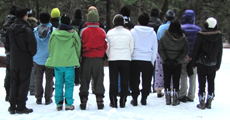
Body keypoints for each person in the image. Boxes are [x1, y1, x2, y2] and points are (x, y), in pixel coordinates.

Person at [45, 14, 81, 111]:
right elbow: (78, 47)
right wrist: (76, 58)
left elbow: (50, 47)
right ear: (69, 22)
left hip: (57, 62)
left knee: (58, 83)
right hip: (69, 63)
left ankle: (59, 103)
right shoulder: (74, 33)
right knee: (69, 83)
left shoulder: (54, 33)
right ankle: (68, 104)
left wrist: (54, 57)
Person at [5, 7, 37, 114]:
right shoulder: (27, 30)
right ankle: (21, 105)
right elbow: (32, 47)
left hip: (14, 59)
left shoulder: (10, 29)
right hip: (25, 60)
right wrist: (30, 55)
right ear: (25, 16)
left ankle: (12, 105)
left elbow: (7, 44)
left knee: (14, 82)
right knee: (23, 83)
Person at [191, 17, 222, 109]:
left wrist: (193, 63)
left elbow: (196, 49)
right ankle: (209, 101)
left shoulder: (201, 35)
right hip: (212, 63)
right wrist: (218, 64)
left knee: (202, 82)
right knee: (211, 82)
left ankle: (202, 101)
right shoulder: (218, 36)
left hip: (202, 62)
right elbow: (220, 52)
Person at [79, 10, 107, 110]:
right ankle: (99, 100)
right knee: (99, 79)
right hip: (98, 58)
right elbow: (105, 44)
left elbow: (80, 44)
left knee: (85, 79)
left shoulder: (84, 31)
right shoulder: (102, 31)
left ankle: (83, 100)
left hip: (86, 58)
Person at [158, 19, 189, 106]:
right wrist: (178, 59)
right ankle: (175, 97)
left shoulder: (165, 36)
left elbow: (160, 48)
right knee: (176, 80)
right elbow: (186, 50)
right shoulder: (183, 38)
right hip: (177, 62)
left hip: (166, 62)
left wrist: (166, 59)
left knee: (167, 79)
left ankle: (168, 97)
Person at [129, 13, 157, 106]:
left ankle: (135, 98)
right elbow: (154, 48)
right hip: (147, 59)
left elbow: (130, 45)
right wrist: (152, 60)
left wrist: (130, 56)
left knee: (134, 79)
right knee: (147, 80)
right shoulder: (152, 33)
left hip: (135, 58)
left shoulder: (133, 32)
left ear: (138, 21)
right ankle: (144, 98)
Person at [106, 14, 134, 108]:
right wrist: (127, 55)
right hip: (125, 58)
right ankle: (123, 101)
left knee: (113, 80)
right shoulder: (128, 33)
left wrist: (109, 55)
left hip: (113, 58)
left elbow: (107, 47)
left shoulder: (109, 33)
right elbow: (131, 47)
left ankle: (113, 101)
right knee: (124, 80)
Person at [178, 10, 201, 102]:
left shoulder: (181, 28)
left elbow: (179, 43)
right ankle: (191, 95)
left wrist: (184, 54)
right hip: (194, 57)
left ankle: (182, 94)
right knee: (193, 75)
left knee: (183, 74)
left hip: (183, 55)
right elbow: (199, 44)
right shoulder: (198, 29)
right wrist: (194, 56)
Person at [33, 12, 55, 105]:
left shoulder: (35, 30)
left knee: (38, 78)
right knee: (49, 78)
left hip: (38, 58)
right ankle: (48, 98)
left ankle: (38, 97)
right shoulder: (53, 30)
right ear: (49, 19)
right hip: (49, 58)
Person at [155, 10, 175, 97]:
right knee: (172, 70)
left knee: (160, 70)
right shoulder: (175, 27)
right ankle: (171, 87)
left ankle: (159, 89)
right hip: (173, 51)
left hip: (161, 51)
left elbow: (158, 39)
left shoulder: (161, 27)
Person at [0, 6, 17, 102]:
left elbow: (3, 38)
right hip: (15, 52)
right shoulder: (15, 23)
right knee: (15, 74)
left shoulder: (5, 23)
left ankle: (8, 93)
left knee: (8, 73)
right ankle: (13, 94)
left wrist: (7, 46)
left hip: (8, 52)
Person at [147, 7, 163, 94]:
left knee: (147, 68)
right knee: (155, 68)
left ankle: (147, 85)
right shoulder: (160, 24)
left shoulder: (147, 23)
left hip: (147, 47)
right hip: (156, 48)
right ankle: (155, 85)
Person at [26, 7, 39, 96]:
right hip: (33, 48)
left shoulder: (23, 23)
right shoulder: (35, 24)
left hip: (23, 48)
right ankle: (32, 88)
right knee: (33, 69)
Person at [72, 7, 83, 86]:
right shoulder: (83, 23)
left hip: (73, 44)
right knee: (80, 62)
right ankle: (79, 79)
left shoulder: (71, 23)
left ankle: (74, 79)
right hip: (81, 43)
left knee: (74, 62)